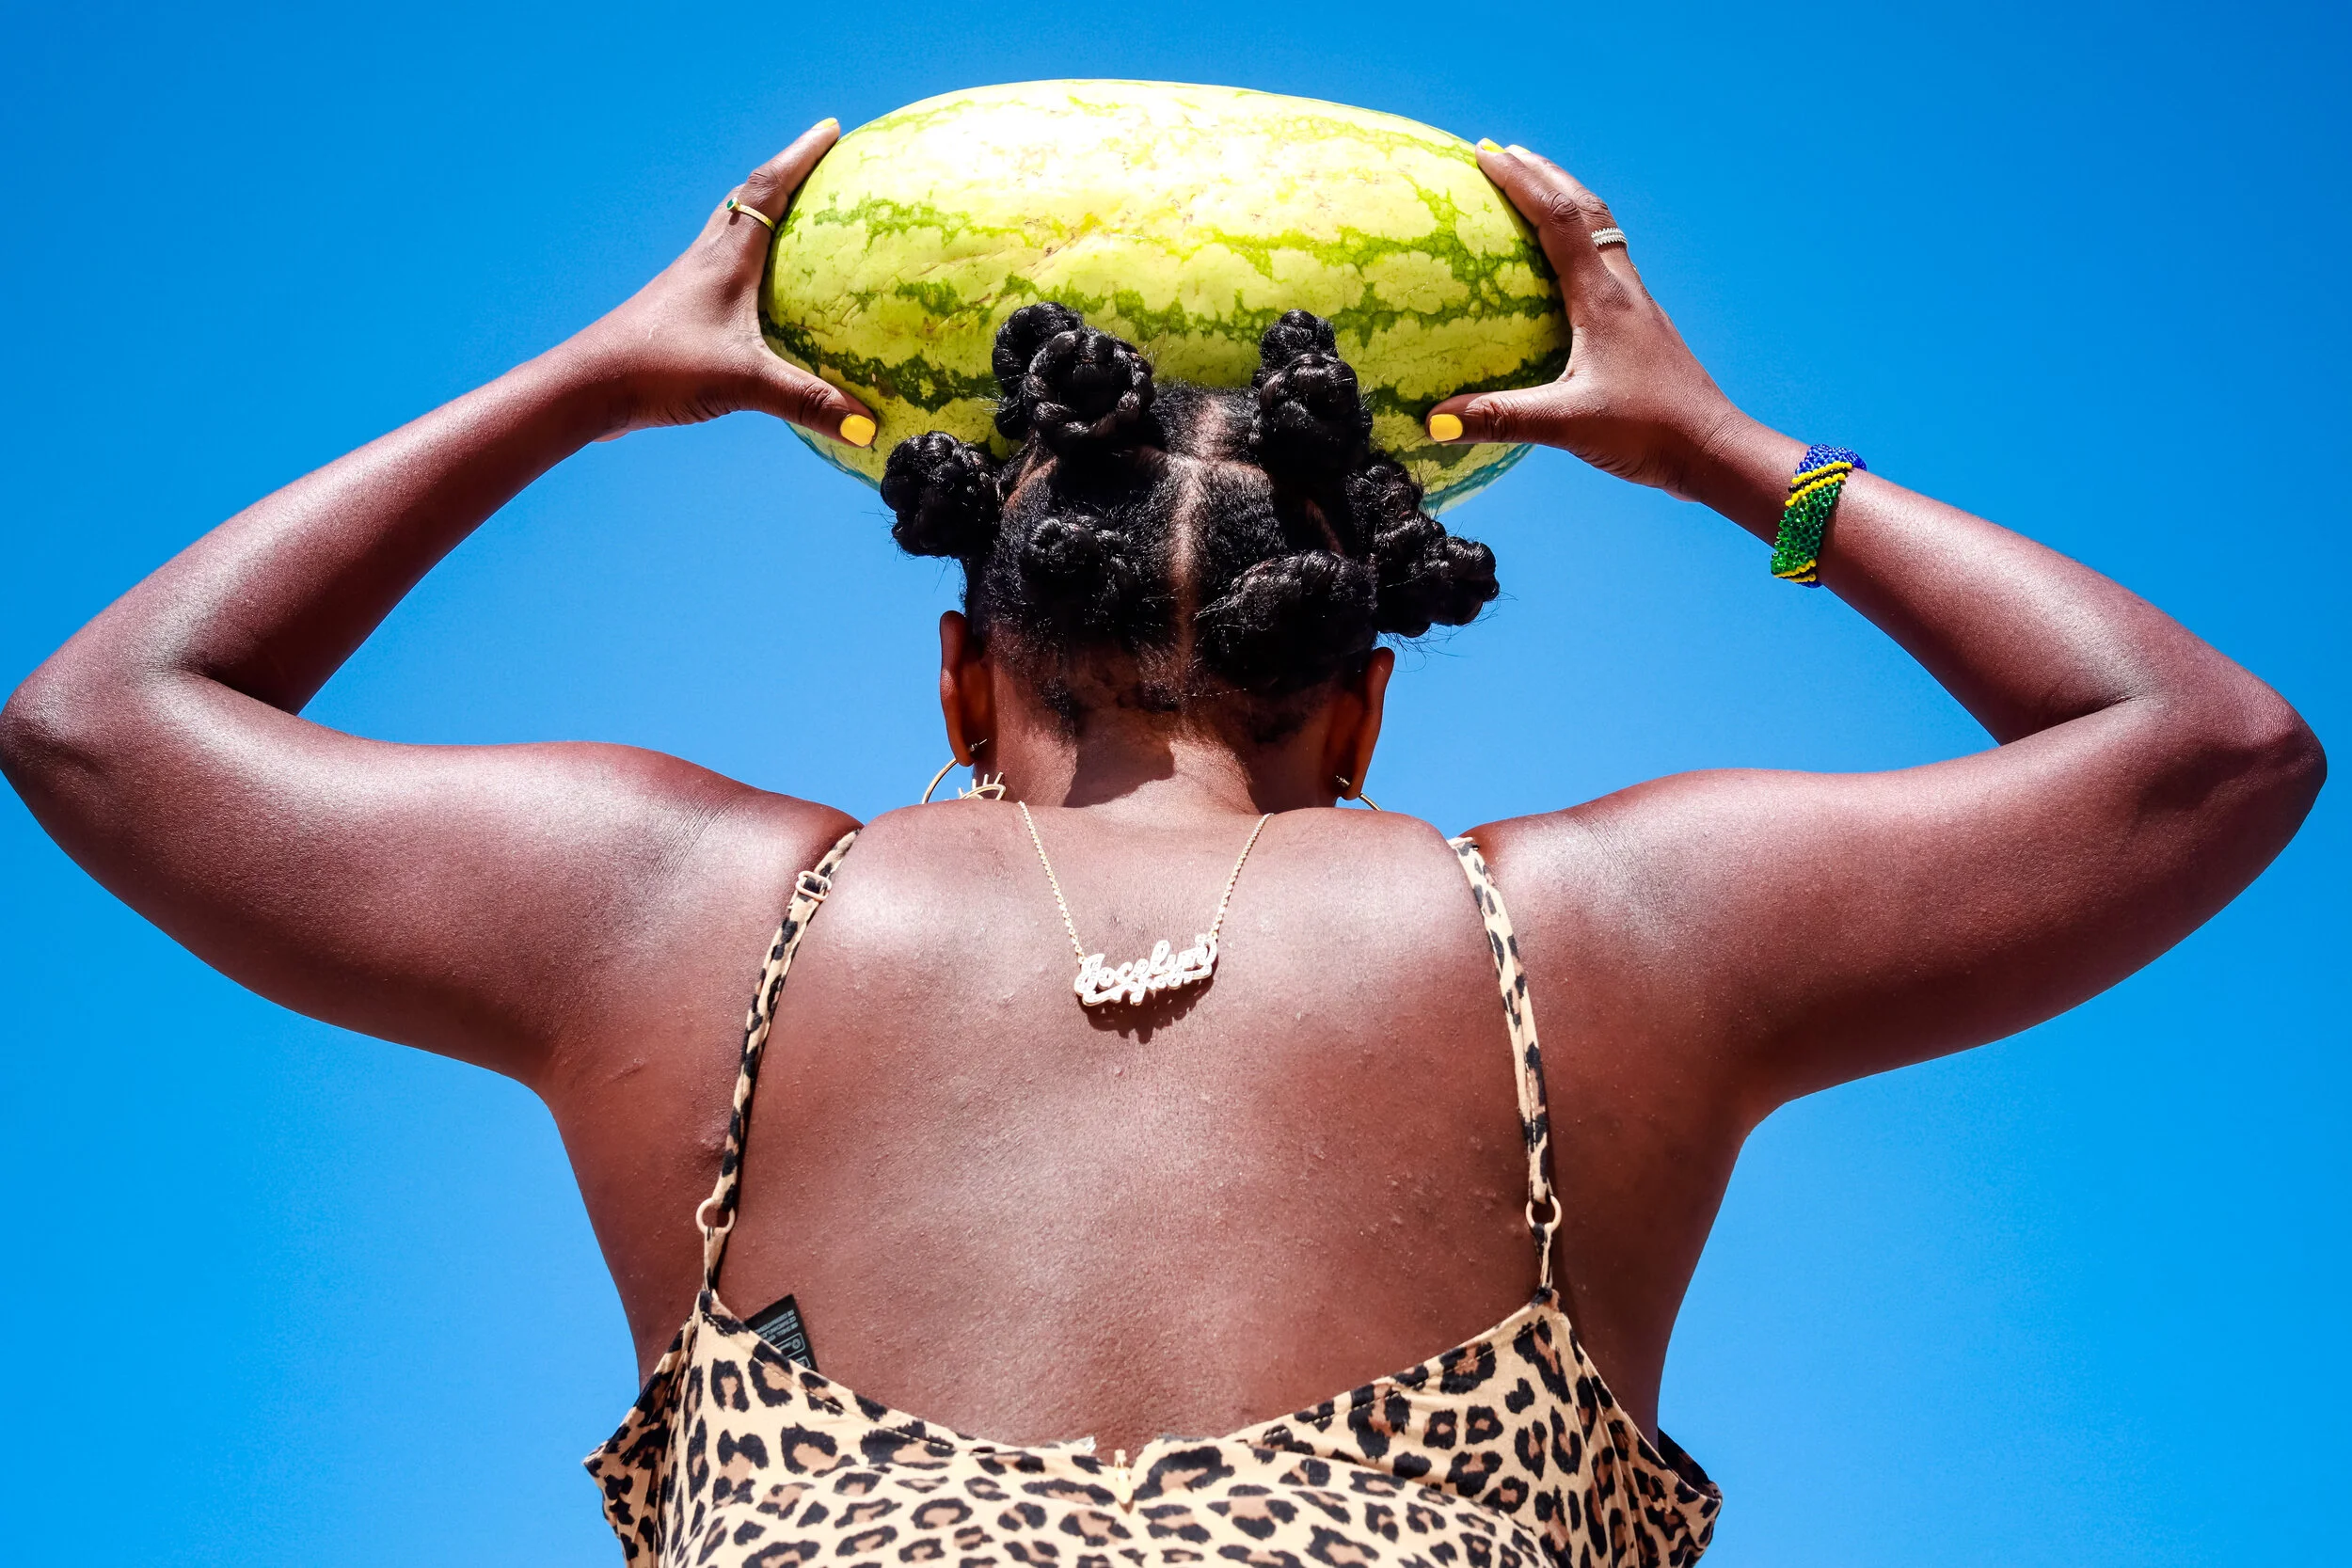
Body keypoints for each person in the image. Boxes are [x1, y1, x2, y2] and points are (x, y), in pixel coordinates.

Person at [0, 119, 2321, 1568]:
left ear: (958, 672)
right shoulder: (1588, 936)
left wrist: (594, 375)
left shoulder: (695, 922)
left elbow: (105, 719)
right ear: (1361, 694)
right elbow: (2206, 750)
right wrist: (1734, 458)